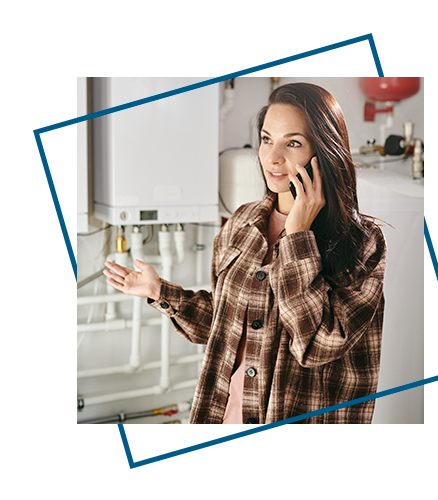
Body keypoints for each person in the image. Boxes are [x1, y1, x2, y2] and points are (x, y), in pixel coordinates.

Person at [104, 82, 387, 424]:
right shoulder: (242, 223)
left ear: (324, 151)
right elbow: (226, 325)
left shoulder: (362, 243)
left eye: (292, 143)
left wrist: (298, 236)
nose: (273, 157)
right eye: (267, 139)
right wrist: (160, 292)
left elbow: (317, 344)